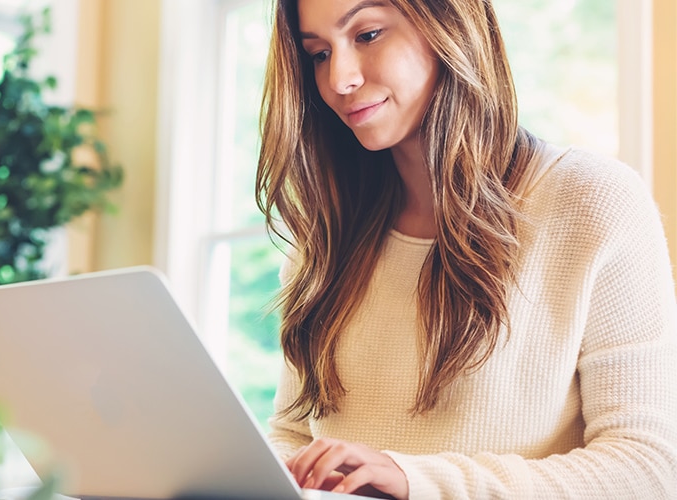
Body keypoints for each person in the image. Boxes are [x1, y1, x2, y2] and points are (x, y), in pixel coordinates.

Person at [255, 0, 677, 498]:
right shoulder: (327, 236)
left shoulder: (593, 201)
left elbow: (648, 468)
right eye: (319, 54)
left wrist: (414, 480)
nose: (339, 79)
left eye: (367, 35)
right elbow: (295, 436)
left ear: (449, 24)